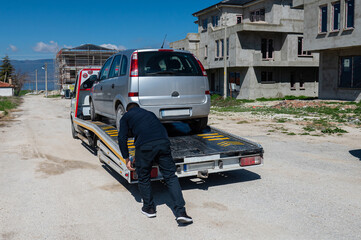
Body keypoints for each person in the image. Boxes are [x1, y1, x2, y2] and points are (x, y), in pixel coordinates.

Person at [118, 103, 193, 225]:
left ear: (127, 111)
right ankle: (181, 213)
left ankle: (149, 208)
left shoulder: (126, 117)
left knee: (143, 176)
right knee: (170, 177)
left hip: (145, 146)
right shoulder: (149, 113)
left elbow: (122, 138)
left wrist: (126, 158)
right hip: (163, 143)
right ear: (139, 108)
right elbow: (152, 131)